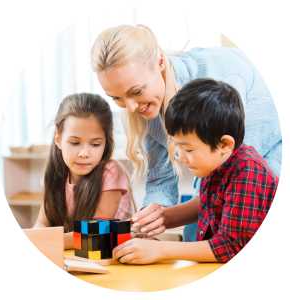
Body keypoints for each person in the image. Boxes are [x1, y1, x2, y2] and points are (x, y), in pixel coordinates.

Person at [91, 24, 282, 241]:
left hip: (276, 144)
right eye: (116, 98)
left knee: (216, 236)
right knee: (194, 234)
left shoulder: (220, 87)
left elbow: (227, 181)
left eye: (136, 92)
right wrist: (149, 223)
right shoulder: (147, 106)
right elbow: (161, 179)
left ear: (160, 62)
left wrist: (168, 221)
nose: (131, 107)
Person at [112, 79, 278, 264]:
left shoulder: (247, 172)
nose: (181, 158)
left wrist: (160, 249)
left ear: (225, 144)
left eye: (188, 149)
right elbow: (207, 204)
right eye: (177, 146)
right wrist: (162, 218)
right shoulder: (217, 163)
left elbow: (230, 247)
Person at [33, 93, 136, 249]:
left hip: (110, 256)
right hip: (74, 254)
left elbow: (94, 236)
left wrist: (43, 241)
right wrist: (35, 238)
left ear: (106, 143)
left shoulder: (110, 172)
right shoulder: (55, 175)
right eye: (75, 143)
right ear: (58, 139)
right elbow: (41, 223)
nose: (84, 153)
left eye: (95, 144)